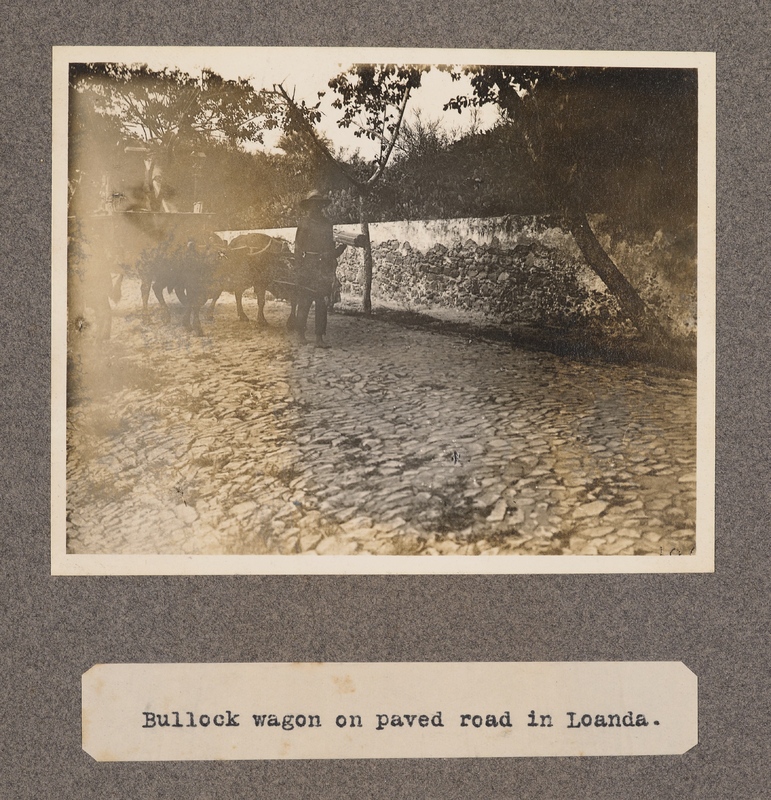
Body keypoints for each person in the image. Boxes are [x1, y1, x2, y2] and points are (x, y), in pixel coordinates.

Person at [293, 190, 346, 347]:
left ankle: (319, 338)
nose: (315, 208)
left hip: (322, 267)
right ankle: (300, 335)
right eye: (312, 204)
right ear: (308, 206)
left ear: (322, 206)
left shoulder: (327, 224)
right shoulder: (304, 223)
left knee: (322, 302)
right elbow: (297, 247)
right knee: (304, 301)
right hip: (308, 265)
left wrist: (340, 249)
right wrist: (299, 266)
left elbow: (331, 247)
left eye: (318, 204)